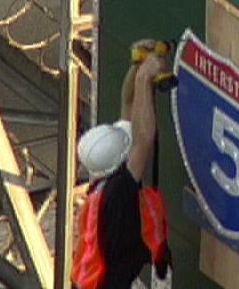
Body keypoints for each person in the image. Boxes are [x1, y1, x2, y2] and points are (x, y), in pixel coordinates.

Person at [71, 39, 172, 289]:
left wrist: (137, 65)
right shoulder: (118, 191)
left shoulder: (103, 185)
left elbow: (128, 108)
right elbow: (145, 137)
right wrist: (144, 78)